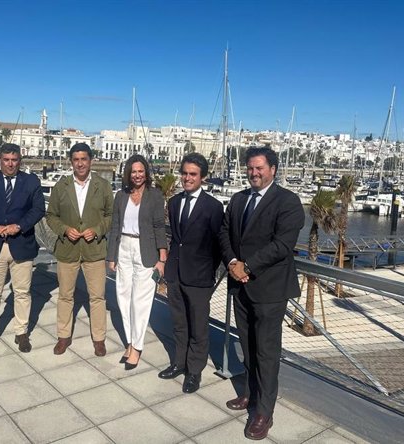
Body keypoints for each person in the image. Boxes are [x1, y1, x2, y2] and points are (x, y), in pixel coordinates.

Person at [218, 146, 304, 440]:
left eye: (259, 168)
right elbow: (224, 233)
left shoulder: (288, 202)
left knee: (266, 353)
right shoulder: (239, 199)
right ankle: (251, 395)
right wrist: (232, 263)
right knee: (247, 346)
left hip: (269, 289)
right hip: (240, 286)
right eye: (250, 168)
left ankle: (264, 413)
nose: (253, 173)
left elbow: (282, 245)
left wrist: (248, 266)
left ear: (273, 170)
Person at [158, 153, 223, 393]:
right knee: (179, 323)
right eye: (184, 173)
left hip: (200, 277)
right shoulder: (174, 203)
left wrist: (209, 271)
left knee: (198, 327)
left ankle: (194, 372)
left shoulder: (213, 207)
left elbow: (218, 244)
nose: (187, 178)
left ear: (202, 177)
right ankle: (179, 362)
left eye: (192, 174)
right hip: (175, 273)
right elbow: (176, 239)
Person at [0, 143, 45, 354]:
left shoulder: (31, 181)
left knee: (22, 292)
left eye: (14, 159)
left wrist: (19, 226)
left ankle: (21, 332)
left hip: (21, 244)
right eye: (6, 159)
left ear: (20, 160)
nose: (10, 163)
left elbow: (38, 208)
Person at [45, 143, 113, 356]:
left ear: (90, 160)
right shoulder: (61, 186)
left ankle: (99, 338)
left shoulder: (102, 186)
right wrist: (64, 230)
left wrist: (98, 230)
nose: (80, 163)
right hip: (68, 250)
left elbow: (110, 216)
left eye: (84, 159)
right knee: (65, 296)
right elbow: (51, 216)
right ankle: (63, 336)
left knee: (97, 297)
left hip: (94, 251)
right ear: (71, 162)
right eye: (76, 159)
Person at [106, 154, 167, 370]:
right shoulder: (121, 196)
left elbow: (160, 226)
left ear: (146, 173)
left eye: (141, 171)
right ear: (128, 174)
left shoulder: (155, 195)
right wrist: (111, 256)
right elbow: (115, 226)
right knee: (123, 299)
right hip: (124, 248)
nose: (137, 175)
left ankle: (137, 347)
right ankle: (130, 342)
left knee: (140, 302)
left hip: (146, 251)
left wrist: (162, 258)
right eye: (134, 171)